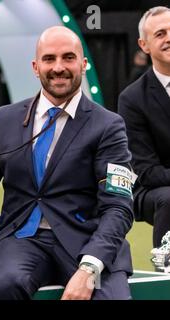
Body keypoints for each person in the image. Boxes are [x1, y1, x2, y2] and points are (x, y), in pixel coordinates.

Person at [0, 26, 134, 300]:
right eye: (49, 59)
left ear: (83, 64)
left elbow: (118, 206)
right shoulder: (3, 119)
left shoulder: (109, 126)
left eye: (68, 58)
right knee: (7, 285)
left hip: (87, 239)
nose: (58, 67)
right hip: (21, 240)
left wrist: (89, 268)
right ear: (36, 67)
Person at [118, 6, 170, 249]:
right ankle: (166, 274)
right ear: (144, 45)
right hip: (154, 190)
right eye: (160, 34)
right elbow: (148, 172)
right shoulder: (132, 99)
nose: (169, 38)